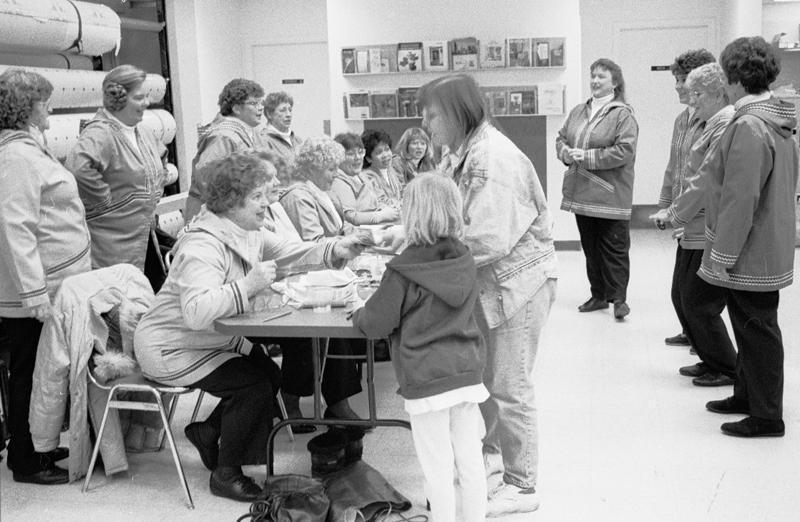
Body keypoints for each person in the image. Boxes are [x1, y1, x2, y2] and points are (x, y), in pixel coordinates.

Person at [133, 151, 363, 501]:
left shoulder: (245, 230)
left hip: (206, 341)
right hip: (170, 347)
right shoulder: (202, 245)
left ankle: (209, 433)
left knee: (270, 375)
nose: (266, 203)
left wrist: (335, 248)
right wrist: (248, 285)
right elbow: (195, 312)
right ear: (231, 201)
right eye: (257, 197)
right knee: (252, 386)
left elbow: (292, 251)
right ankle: (226, 474)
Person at [418, 74, 557, 517]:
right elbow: (444, 209)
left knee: (509, 385)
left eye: (432, 113)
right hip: (493, 283)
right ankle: (493, 467)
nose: (425, 122)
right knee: (489, 381)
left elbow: (486, 237)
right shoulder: (462, 151)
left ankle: (522, 483)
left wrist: (419, 259)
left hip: (517, 283)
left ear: (458, 112)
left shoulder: (492, 157)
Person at [352, 173, 488, 522]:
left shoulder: (403, 270)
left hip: (425, 377)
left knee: (436, 468)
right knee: (471, 462)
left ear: (412, 215)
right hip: (467, 371)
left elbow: (377, 323)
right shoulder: (464, 257)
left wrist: (357, 314)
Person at [699, 37, 798, 438]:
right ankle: (747, 393)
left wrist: (722, 252)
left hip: (750, 248)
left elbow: (741, 198)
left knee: (757, 329)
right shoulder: (774, 119)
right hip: (765, 242)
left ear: (735, 78)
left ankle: (766, 415)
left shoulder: (750, 125)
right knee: (749, 324)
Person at [0, 68, 92, 485]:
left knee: (44, 373)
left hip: (52, 284)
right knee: (30, 375)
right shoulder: (16, 156)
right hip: (36, 293)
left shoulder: (26, 149)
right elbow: (15, 225)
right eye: (44, 100)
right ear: (27, 108)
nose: (50, 106)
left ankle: (38, 445)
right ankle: (25, 459)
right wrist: (34, 294)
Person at [650, 63, 737, 388]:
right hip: (692, 226)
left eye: (696, 92)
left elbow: (705, 180)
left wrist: (675, 214)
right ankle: (710, 359)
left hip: (705, 227)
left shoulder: (723, 123)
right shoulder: (700, 120)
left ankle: (727, 367)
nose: (690, 98)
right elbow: (680, 168)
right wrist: (671, 209)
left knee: (698, 302)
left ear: (717, 91)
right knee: (683, 296)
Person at [278, 136, 365, 422]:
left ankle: (337, 402)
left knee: (338, 327)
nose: (335, 174)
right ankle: (297, 400)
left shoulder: (320, 192)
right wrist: (345, 240)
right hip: (300, 280)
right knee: (323, 331)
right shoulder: (298, 196)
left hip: (322, 276)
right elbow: (312, 243)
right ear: (314, 168)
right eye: (330, 169)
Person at [66, 65, 175, 286]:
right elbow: (78, 168)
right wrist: (105, 200)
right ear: (118, 99)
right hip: (113, 244)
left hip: (143, 237)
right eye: (139, 97)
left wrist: (154, 191)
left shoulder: (141, 131)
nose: (146, 103)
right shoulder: (100, 134)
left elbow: (161, 156)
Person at [556, 58, 638, 320]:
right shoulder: (579, 111)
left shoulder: (623, 114)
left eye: (601, 76)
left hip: (611, 195)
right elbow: (561, 137)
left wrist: (588, 157)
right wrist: (566, 153)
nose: (594, 80)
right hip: (582, 194)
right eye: (593, 75)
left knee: (613, 248)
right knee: (591, 249)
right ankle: (599, 295)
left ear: (614, 82)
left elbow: (625, 151)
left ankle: (619, 300)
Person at [656, 49, 716, 348]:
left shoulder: (713, 120)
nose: (677, 86)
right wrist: (665, 204)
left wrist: (678, 212)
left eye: (682, 80)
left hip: (701, 219)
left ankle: (705, 343)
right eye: (677, 80)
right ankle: (692, 333)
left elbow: (704, 176)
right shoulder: (683, 119)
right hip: (682, 213)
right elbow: (674, 165)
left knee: (693, 293)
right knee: (679, 291)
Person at [184, 78, 266, 222]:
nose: (260, 108)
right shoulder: (223, 136)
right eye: (253, 103)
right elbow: (206, 178)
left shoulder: (252, 134)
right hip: (215, 216)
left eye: (261, 102)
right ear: (236, 108)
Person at [330, 132, 399, 225]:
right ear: (338, 157)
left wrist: (386, 208)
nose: (357, 158)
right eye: (350, 154)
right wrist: (381, 215)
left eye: (360, 152)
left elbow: (377, 200)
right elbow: (350, 217)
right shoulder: (338, 181)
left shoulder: (361, 176)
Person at [360, 129, 403, 207]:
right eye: (379, 152)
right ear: (368, 158)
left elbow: (401, 192)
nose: (386, 155)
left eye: (387, 149)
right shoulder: (367, 177)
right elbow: (382, 202)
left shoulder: (391, 170)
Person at [258, 91, 302, 164]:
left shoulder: (297, 140)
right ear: (269, 114)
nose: (288, 114)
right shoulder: (263, 141)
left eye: (290, 110)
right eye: (282, 110)